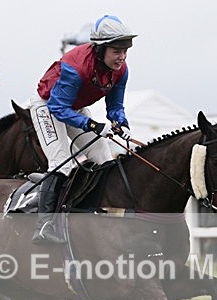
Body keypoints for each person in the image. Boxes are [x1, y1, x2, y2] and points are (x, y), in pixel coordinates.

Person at [28, 14, 136, 244]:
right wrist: (93, 125)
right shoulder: (76, 67)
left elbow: (115, 106)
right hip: (48, 106)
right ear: (101, 49)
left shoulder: (121, 70)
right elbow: (57, 108)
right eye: (117, 50)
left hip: (74, 107)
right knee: (62, 162)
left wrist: (121, 123)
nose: (122, 56)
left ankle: (96, 218)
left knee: (104, 160)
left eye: (125, 50)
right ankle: (45, 225)